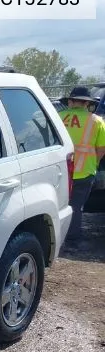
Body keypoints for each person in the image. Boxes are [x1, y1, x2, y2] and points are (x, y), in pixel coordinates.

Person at [58, 87, 105, 243]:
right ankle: (72, 239)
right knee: (76, 206)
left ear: (71, 102)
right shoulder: (97, 121)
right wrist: (95, 163)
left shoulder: (59, 117)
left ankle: (56, 236)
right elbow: (101, 148)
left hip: (59, 170)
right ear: (87, 104)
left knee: (59, 205)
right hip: (84, 171)